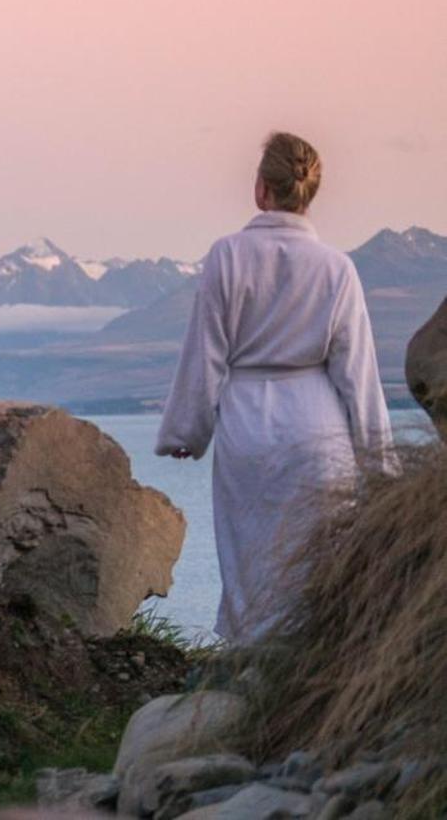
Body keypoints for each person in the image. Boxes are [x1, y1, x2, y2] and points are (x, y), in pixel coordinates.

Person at [155, 131, 396, 643]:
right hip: (319, 430)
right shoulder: (337, 269)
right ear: (310, 192)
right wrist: (382, 468)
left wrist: (187, 432)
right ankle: (312, 668)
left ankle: (250, 664)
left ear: (262, 188)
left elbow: (207, 354)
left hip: (247, 428)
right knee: (319, 556)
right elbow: (359, 377)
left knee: (251, 555)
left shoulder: (228, 256)